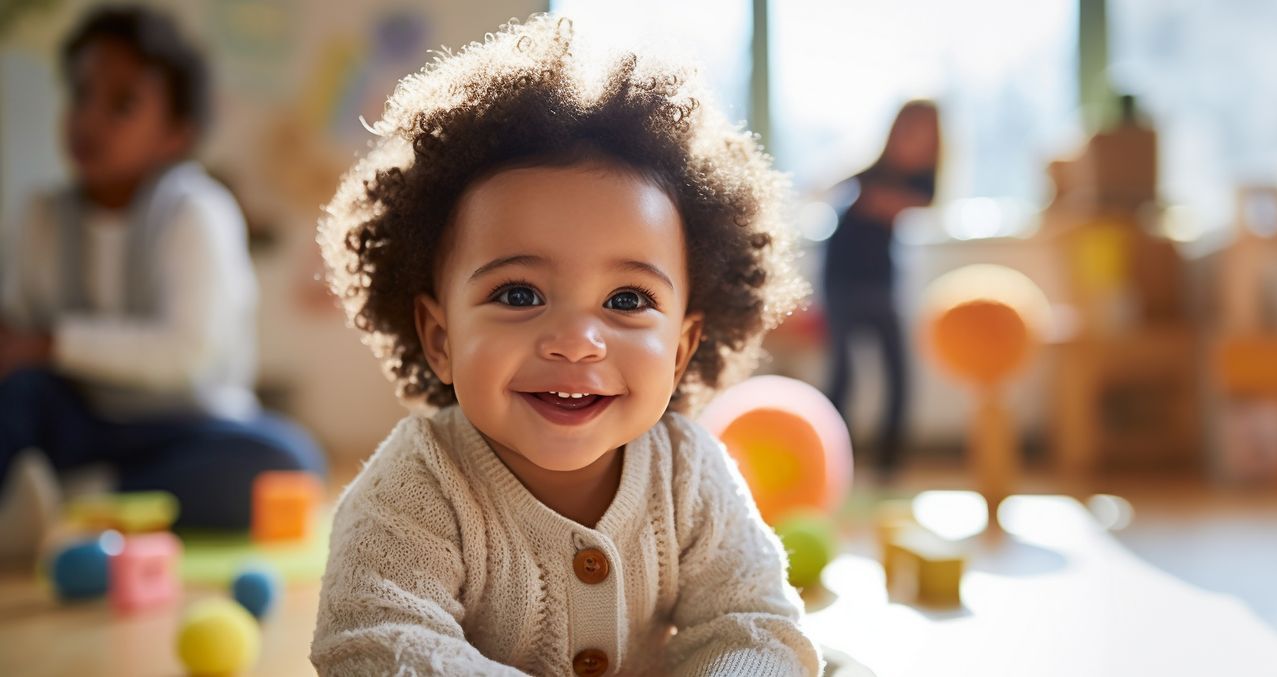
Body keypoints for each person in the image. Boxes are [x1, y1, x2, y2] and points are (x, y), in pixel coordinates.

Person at [309, 15, 818, 675]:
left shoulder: (690, 475)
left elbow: (755, 623)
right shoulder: (417, 486)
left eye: (627, 300)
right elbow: (377, 641)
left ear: (683, 347)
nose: (577, 342)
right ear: (440, 338)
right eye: (519, 294)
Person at [0, 6, 323, 558]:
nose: (89, 119)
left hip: (185, 429)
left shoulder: (197, 212)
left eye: (121, 104)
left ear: (176, 134)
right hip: (78, 419)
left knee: (285, 462)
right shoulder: (42, 216)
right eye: (81, 94)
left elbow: (187, 354)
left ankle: (77, 502)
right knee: (19, 396)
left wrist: (51, 344)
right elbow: (20, 336)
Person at [821, 100, 940, 484]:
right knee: (843, 375)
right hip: (841, 279)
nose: (914, 139)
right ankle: (828, 461)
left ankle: (889, 468)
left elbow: (896, 205)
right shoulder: (872, 173)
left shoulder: (923, 181)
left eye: (924, 131)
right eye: (908, 128)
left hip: (881, 283)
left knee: (898, 375)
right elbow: (840, 192)